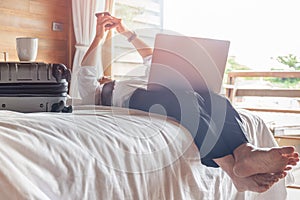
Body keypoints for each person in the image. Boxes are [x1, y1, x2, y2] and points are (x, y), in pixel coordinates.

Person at [78, 12, 299, 193]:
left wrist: (126, 32)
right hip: (139, 100)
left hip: (167, 90)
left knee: (215, 99)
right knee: (182, 99)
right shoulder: (100, 92)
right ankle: (233, 170)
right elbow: (86, 70)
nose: (105, 76)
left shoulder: (149, 75)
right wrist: (99, 37)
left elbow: (149, 58)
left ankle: (244, 152)